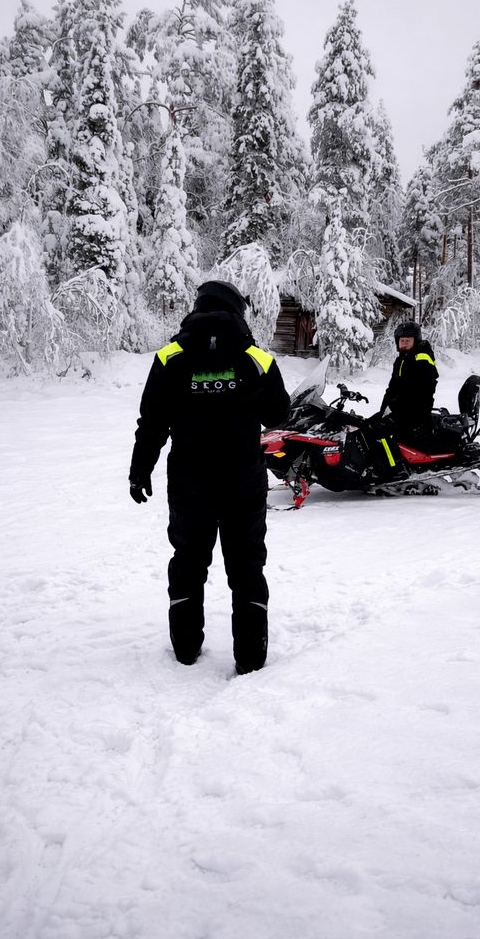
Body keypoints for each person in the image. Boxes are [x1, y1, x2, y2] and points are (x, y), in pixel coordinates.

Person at [128, 280, 290, 675]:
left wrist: (139, 471)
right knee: (247, 565)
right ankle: (250, 657)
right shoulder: (257, 358)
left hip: (190, 481)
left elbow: (152, 423)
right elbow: (280, 416)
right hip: (242, 481)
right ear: (237, 310)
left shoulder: (170, 357)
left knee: (187, 560)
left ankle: (185, 649)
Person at [369, 320, 439, 473]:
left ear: (416, 340)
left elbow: (417, 389)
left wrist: (394, 408)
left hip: (416, 410)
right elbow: (392, 388)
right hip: (404, 408)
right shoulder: (402, 360)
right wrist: (383, 410)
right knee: (370, 424)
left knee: (383, 431)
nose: (404, 343)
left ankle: (394, 469)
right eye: (402, 341)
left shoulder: (421, 357)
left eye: (408, 340)